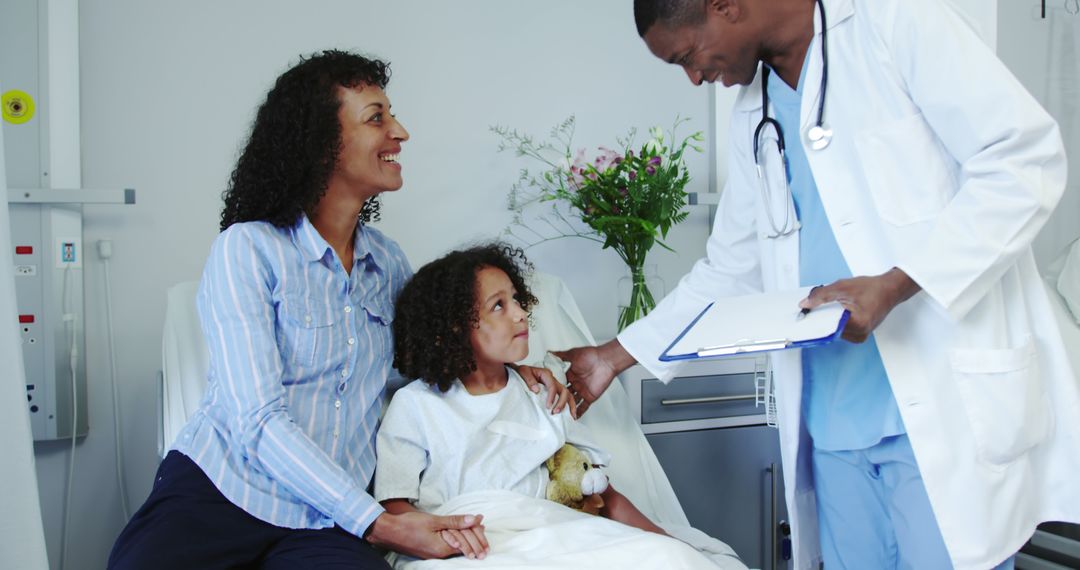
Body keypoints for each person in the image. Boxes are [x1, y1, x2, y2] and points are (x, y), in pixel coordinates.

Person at [555, 1, 1080, 569]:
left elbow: (1023, 162)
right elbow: (731, 265)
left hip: (938, 408)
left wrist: (898, 284)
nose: (695, 77)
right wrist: (611, 358)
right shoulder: (753, 110)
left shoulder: (898, 23)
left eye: (688, 56)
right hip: (831, 421)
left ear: (725, 5)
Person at [107, 50, 569, 569]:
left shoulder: (390, 264)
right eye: (377, 118)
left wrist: (511, 371)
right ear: (321, 142)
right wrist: (378, 521)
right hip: (223, 492)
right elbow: (257, 421)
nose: (401, 132)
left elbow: (423, 374)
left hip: (327, 520)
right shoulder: (249, 250)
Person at [374, 243, 672, 562]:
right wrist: (445, 533)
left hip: (548, 536)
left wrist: (667, 543)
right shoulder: (415, 406)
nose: (521, 312)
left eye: (516, 299)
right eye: (498, 306)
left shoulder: (542, 393)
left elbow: (605, 496)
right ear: (454, 326)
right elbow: (395, 505)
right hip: (467, 548)